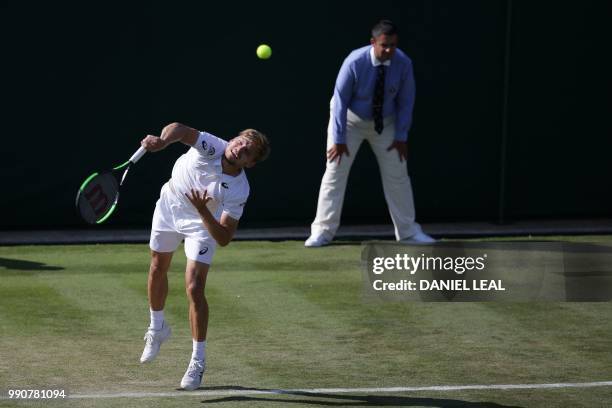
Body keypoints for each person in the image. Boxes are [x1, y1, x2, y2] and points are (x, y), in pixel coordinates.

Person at [138, 122, 270, 390]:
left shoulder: (239, 190)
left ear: (250, 163)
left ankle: (197, 361)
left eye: (248, 151)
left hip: (201, 223)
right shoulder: (211, 145)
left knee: (195, 287)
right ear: (233, 139)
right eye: (241, 141)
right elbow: (178, 129)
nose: (240, 148)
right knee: (156, 267)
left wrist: (202, 210)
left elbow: (223, 238)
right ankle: (157, 329)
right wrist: (163, 142)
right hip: (169, 205)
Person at [305, 20, 434, 247]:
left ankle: (408, 232)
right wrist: (339, 138)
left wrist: (401, 136)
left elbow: (406, 101)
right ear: (373, 42)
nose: (389, 50)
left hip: (386, 123)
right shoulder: (354, 61)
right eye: (384, 45)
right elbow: (339, 102)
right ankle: (322, 232)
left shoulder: (403, 63)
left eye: (393, 45)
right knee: (334, 172)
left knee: (398, 175)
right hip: (349, 121)